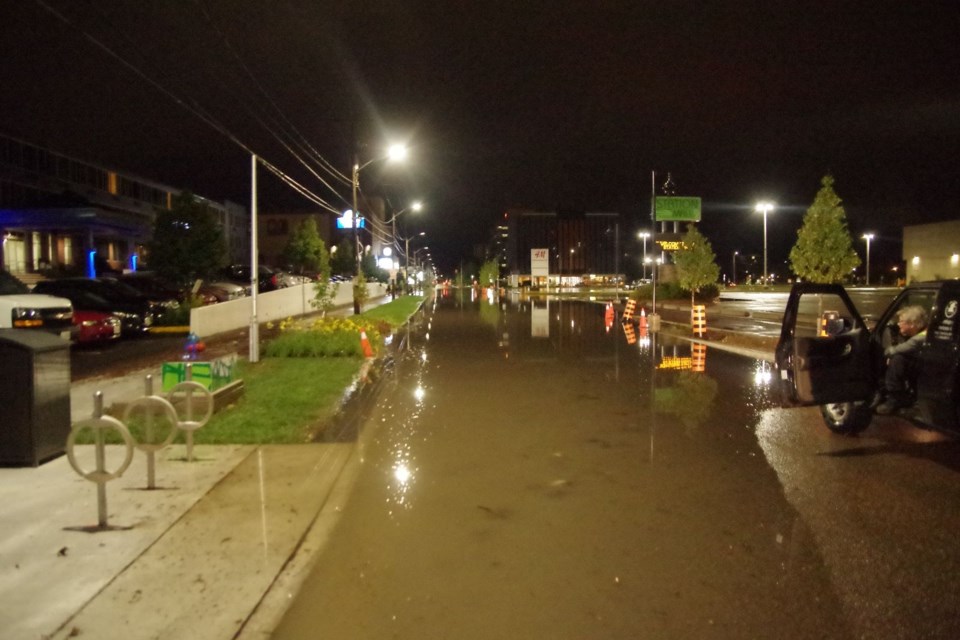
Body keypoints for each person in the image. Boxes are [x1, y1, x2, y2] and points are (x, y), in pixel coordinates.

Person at [875, 305, 928, 414]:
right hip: (927, 365)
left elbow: (895, 350)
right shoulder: (925, 332)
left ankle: (895, 399)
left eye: (901, 321)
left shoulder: (919, 339)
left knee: (897, 360)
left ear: (912, 324)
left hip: (927, 368)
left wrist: (884, 353)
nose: (898, 324)